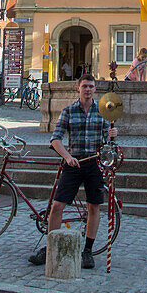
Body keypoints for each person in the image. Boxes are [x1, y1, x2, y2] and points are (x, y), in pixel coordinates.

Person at [29, 72, 117, 269]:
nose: (87, 90)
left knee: (93, 206)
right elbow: (55, 138)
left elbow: (107, 143)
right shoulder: (68, 111)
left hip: (94, 164)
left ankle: (88, 250)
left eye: (91, 87)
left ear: (95, 90)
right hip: (73, 163)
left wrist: (112, 135)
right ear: (78, 88)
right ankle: (51, 246)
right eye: (84, 86)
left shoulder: (103, 112)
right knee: (57, 206)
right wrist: (67, 157)